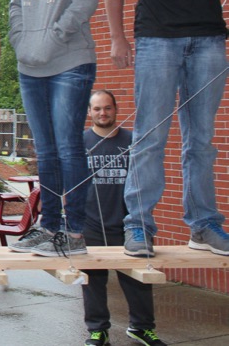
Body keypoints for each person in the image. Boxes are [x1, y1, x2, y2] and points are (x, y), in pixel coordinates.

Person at [105, 0, 229, 258]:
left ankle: (204, 224)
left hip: (209, 40)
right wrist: (119, 37)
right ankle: (138, 226)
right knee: (150, 136)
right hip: (156, 40)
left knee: (202, 140)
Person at [8, 0, 98, 257]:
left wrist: (53, 37)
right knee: (44, 152)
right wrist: (20, 40)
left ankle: (74, 233)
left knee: (67, 146)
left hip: (69, 62)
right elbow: (14, 3)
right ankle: (49, 228)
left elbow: (84, 1)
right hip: (30, 67)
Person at [81, 90, 166, 346]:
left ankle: (141, 328)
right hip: (92, 223)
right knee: (92, 281)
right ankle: (97, 330)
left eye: (107, 108)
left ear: (116, 110)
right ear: (89, 113)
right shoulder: (79, 142)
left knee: (137, 279)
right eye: (97, 109)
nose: (103, 113)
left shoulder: (133, 140)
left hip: (129, 225)